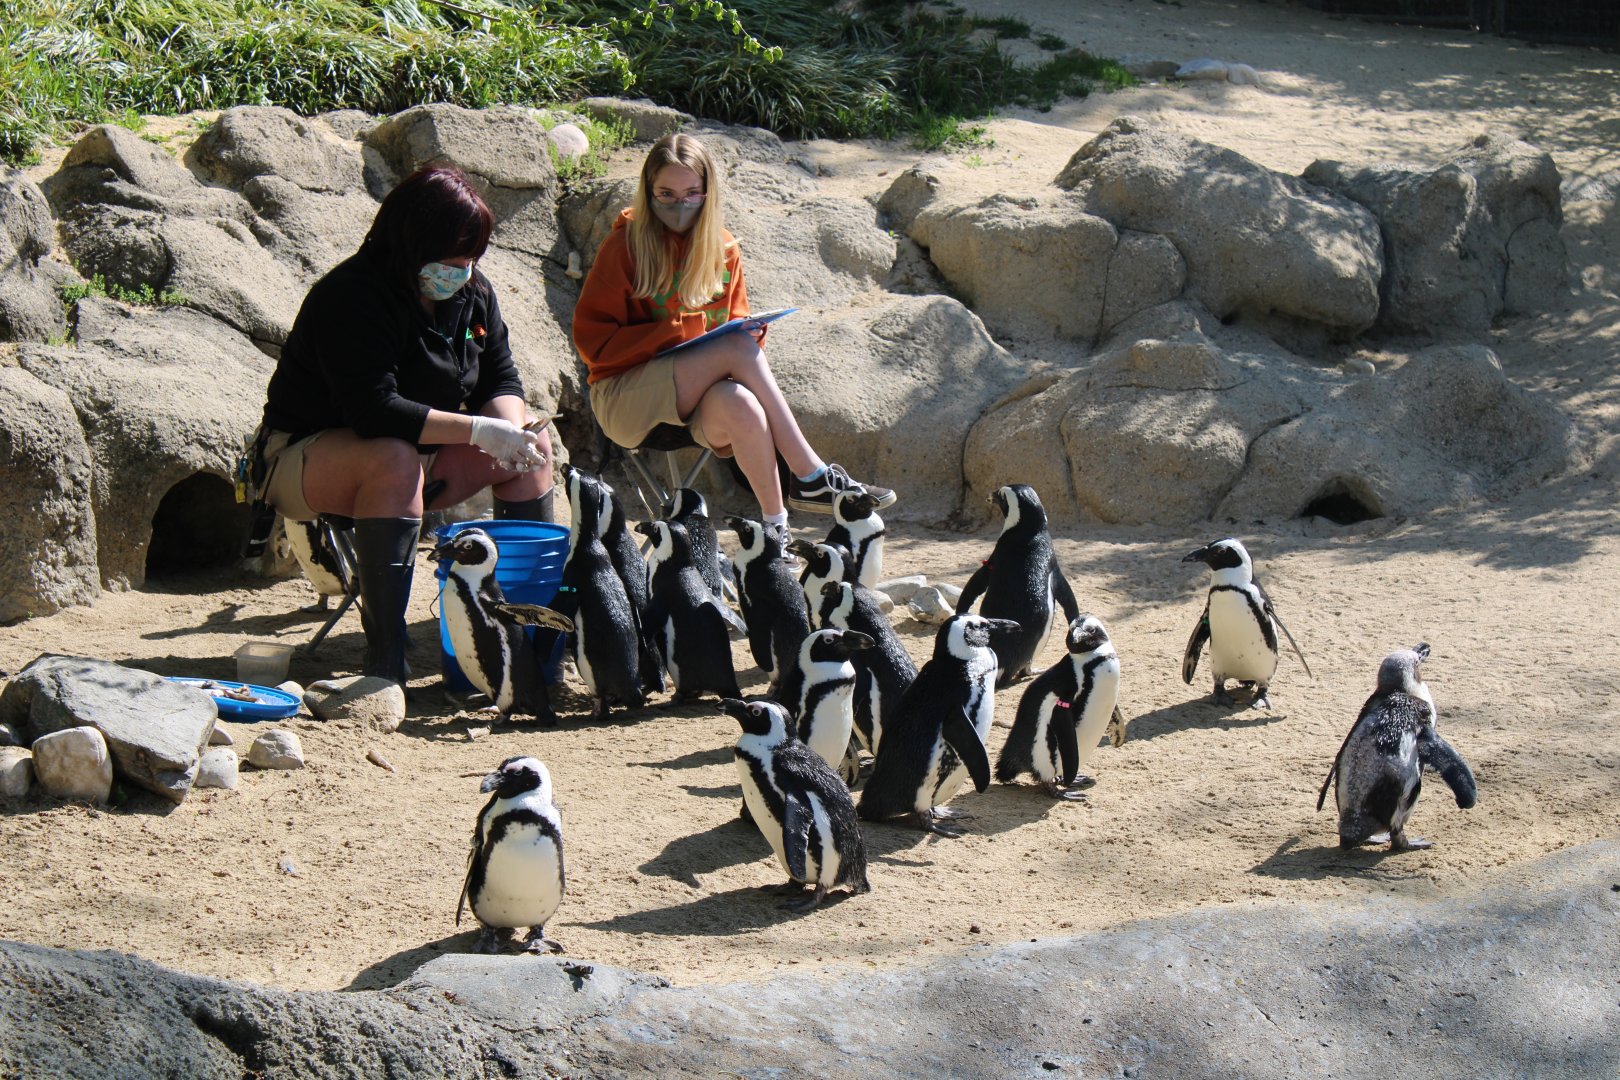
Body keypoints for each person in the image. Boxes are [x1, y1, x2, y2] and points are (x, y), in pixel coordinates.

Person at [257, 164, 553, 684]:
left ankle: (524, 636)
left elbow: (500, 376)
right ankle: (385, 657)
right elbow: (374, 411)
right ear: (411, 243)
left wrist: (511, 434)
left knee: (536, 442)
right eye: (450, 261)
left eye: (470, 260)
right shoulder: (352, 295)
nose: (461, 272)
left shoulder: (472, 293)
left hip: (421, 459)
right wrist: (480, 432)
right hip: (310, 457)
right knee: (394, 460)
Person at [572, 133, 894, 551]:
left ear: (708, 193)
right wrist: (682, 333)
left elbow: (735, 327)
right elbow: (593, 344)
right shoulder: (624, 246)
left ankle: (775, 532)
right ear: (648, 192)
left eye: (692, 193)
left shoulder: (723, 248)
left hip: (696, 402)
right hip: (625, 400)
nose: (679, 205)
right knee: (736, 349)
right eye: (666, 194)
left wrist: (749, 332)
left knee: (742, 401)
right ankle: (810, 474)